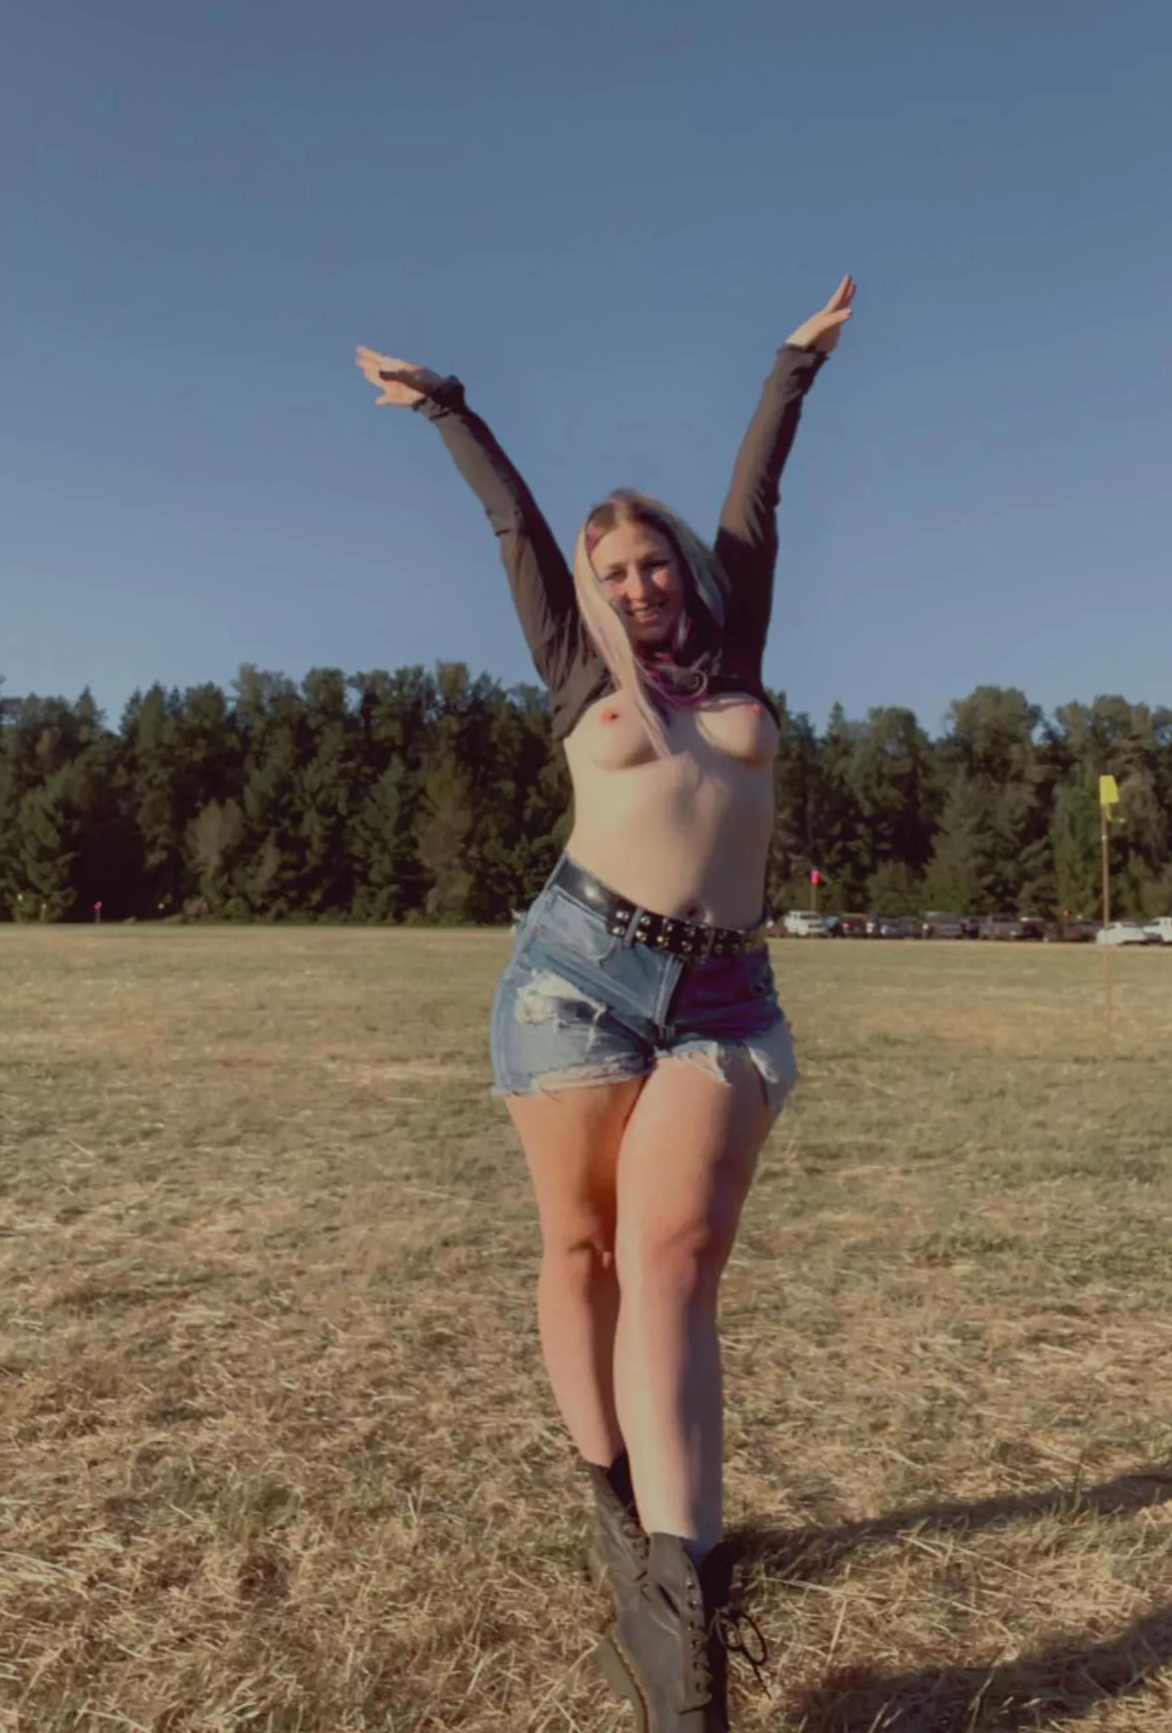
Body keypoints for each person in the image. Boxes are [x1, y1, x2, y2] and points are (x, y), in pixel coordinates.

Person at [354, 277, 854, 1729]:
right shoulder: (583, 668)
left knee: (675, 1258)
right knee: (581, 1249)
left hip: (723, 996)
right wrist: (452, 408)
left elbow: (757, 505)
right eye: (612, 568)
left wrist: (791, 367)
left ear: (685, 570)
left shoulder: (740, 647)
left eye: (653, 563)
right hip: (574, 982)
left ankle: (680, 1612)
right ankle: (617, 1504)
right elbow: (513, 524)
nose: (638, 584)